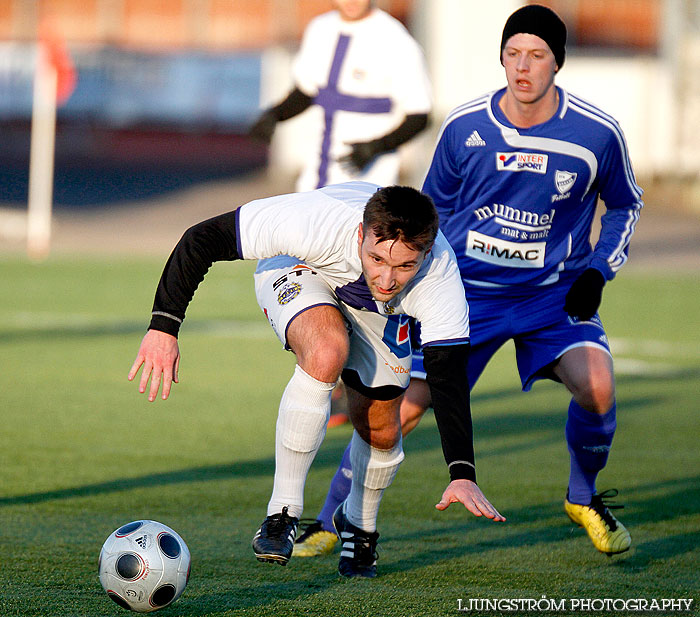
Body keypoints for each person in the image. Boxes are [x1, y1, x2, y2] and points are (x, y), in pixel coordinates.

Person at [293, 4, 643, 560]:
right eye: (512, 54)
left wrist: (599, 271)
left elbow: (625, 204)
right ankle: (336, 518)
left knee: (598, 387)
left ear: (558, 63)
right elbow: (426, 217)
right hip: (466, 297)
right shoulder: (467, 127)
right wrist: (408, 289)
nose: (522, 67)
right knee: (398, 406)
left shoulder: (597, 134)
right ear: (501, 58)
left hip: (551, 297)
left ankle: (583, 497)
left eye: (536, 55)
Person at [128, 181, 504, 579]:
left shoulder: (441, 281)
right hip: (300, 268)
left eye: (405, 265)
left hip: (376, 312)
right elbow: (201, 238)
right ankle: (282, 512)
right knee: (326, 351)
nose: (388, 277)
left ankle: (359, 524)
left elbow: (447, 379)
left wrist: (462, 473)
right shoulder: (315, 222)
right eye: (376, 258)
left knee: (381, 427)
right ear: (361, 234)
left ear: (427, 254)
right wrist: (164, 328)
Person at [249, 0, 432, 192]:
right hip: (317, 168)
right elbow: (307, 91)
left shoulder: (395, 39)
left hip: (369, 175)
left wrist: (376, 147)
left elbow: (420, 115)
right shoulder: (320, 28)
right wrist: (275, 115)